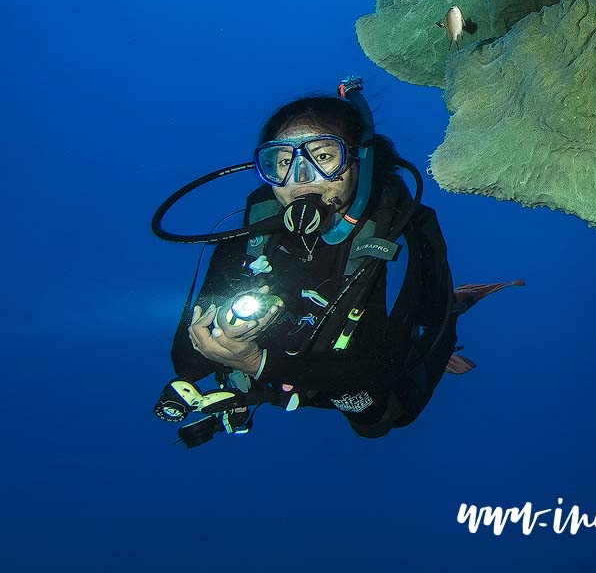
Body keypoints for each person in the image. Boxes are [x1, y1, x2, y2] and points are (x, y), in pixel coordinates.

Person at [152, 78, 522, 446]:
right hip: (289, 367)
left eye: (323, 156)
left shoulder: (394, 233)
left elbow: (377, 370)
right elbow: (186, 362)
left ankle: (453, 307)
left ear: (359, 159)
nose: (299, 178)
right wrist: (216, 340)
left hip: (365, 366)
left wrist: (255, 362)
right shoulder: (255, 232)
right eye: (281, 162)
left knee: (379, 419)